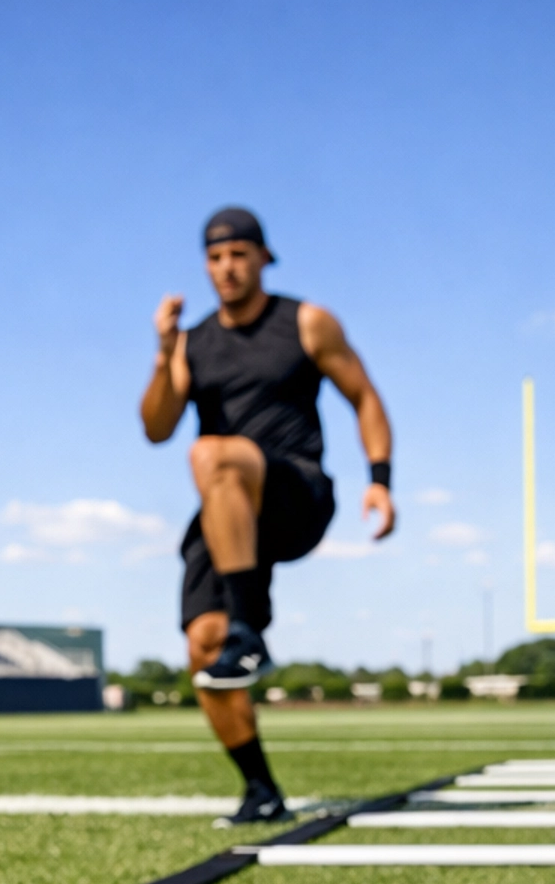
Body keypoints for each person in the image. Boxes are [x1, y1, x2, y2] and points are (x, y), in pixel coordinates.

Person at [140, 207, 397, 824]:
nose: (226, 268)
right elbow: (155, 428)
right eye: (215, 257)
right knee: (205, 649)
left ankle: (249, 628)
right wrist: (163, 353)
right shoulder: (193, 344)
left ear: (262, 258)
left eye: (238, 255)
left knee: (214, 455)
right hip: (226, 512)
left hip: (292, 492)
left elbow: (363, 395)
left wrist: (381, 482)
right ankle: (261, 789)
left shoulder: (305, 322)